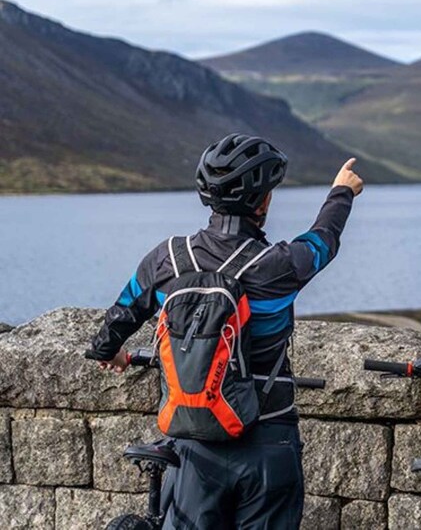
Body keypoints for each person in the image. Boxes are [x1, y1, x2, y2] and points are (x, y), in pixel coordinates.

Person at [84, 133, 363, 529]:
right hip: (269, 438)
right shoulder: (279, 265)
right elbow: (323, 240)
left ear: (208, 198)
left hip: (195, 446)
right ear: (264, 202)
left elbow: (113, 326)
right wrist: (341, 192)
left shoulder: (167, 259)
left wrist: (111, 352)